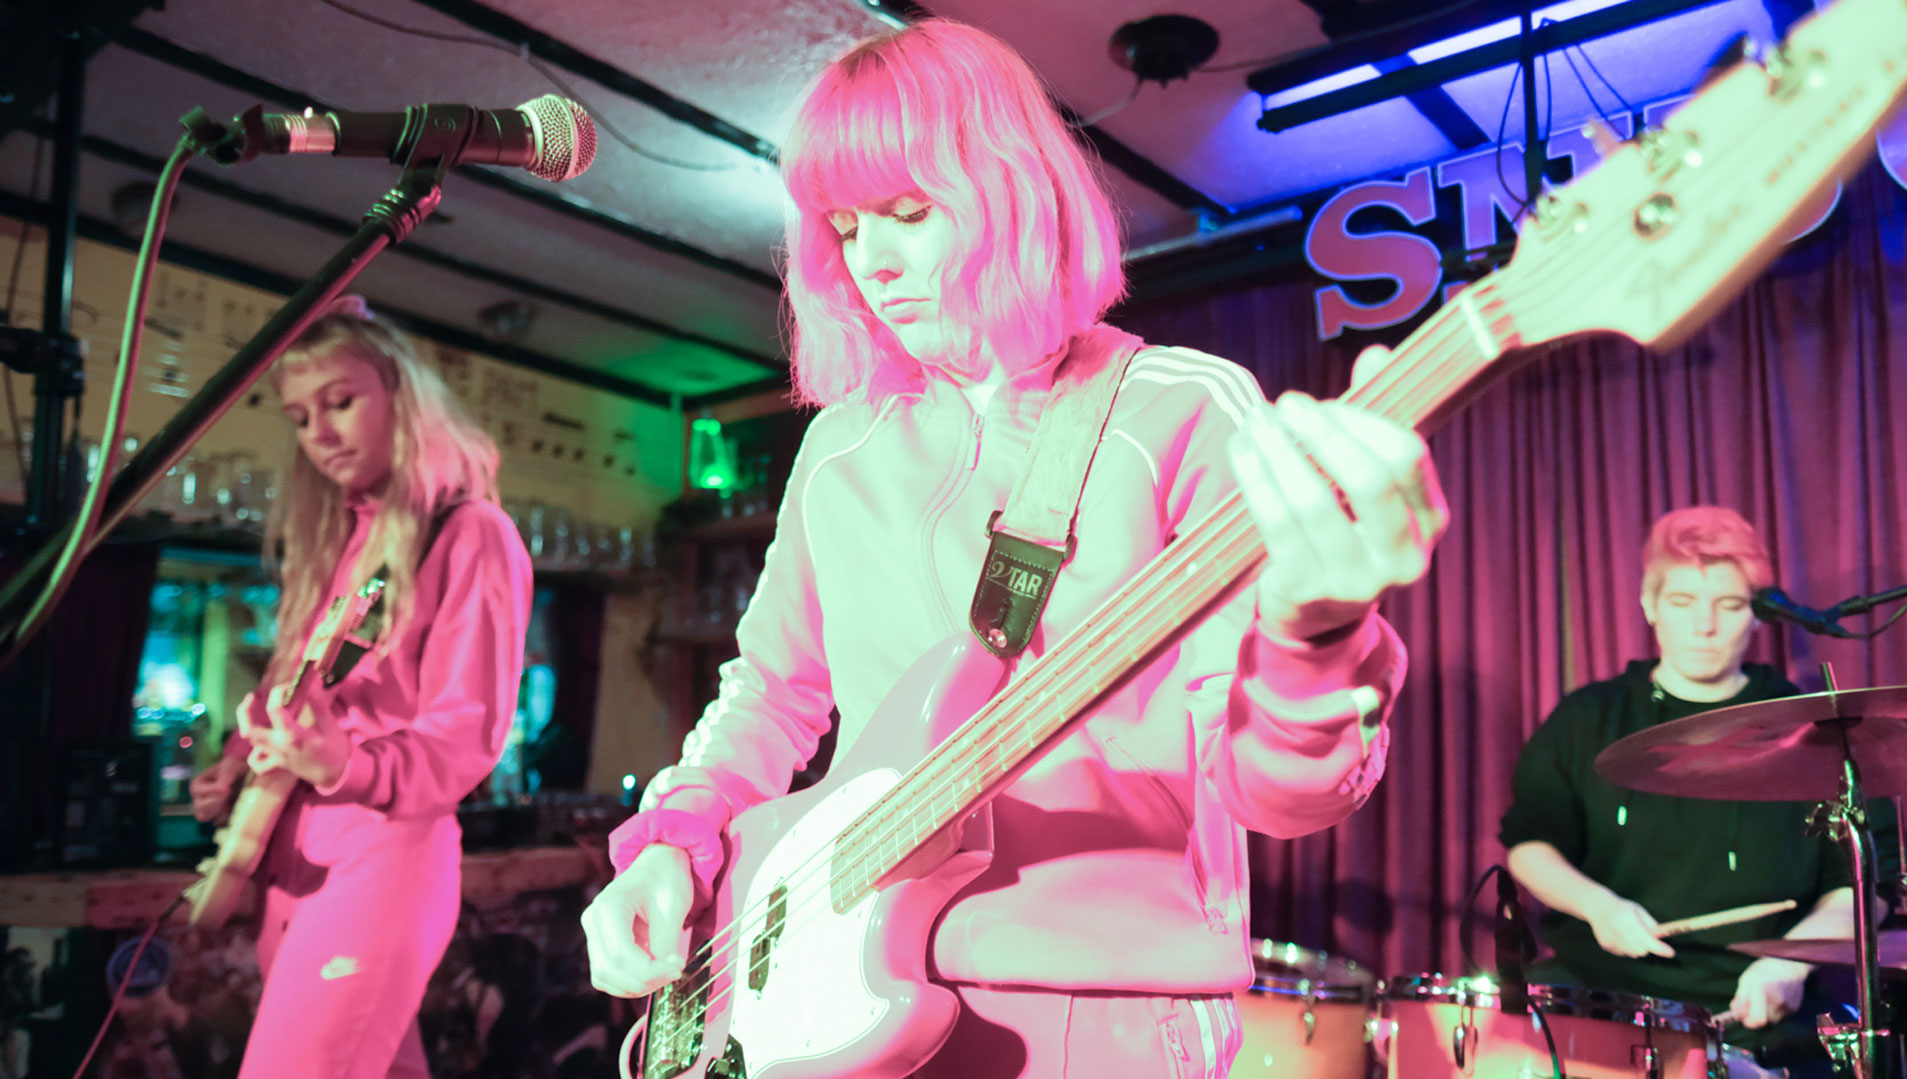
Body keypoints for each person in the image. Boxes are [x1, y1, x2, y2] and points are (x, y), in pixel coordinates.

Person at [581, 19, 1448, 1078]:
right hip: (830, 991)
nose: (873, 265)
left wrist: (1315, 640)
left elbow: (1282, 793)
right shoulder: (839, 443)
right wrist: (675, 839)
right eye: (846, 227)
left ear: (1009, 192)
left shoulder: (1181, 411)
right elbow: (770, 689)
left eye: (909, 212)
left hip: (1101, 1006)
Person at [188, 296, 533, 1079]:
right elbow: (302, 692)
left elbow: (465, 735)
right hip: (292, 867)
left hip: (382, 862)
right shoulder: (348, 543)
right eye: (301, 417)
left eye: (340, 402)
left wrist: (345, 762)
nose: (320, 434)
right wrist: (241, 760)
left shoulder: (471, 532)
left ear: (401, 396)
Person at [1501, 505, 1899, 1079]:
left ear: (1759, 615)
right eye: (1683, 603)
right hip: (1600, 994)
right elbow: (1529, 843)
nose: (1704, 626)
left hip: (1754, 1004)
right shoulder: (1589, 717)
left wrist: (1787, 964)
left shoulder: (1816, 728)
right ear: (1649, 605)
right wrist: (1598, 907)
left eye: (1729, 605)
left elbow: (1868, 882)